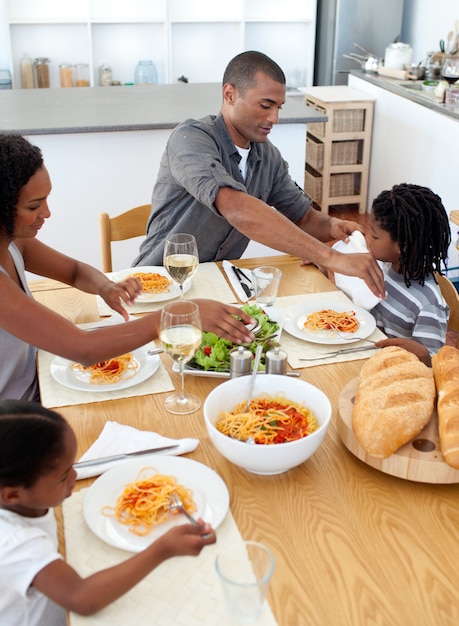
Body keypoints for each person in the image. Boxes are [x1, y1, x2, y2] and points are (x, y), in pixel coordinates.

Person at [0, 134, 255, 402]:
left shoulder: (14, 243)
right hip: (17, 415)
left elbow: (74, 271)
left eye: (46, 200)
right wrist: (174, 316)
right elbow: (84, 349)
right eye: (34, 206)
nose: (47, 213)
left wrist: (105, 287)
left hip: (39, 381)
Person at [133, 50, 384, 299]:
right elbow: (237, 208)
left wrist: (333, 226)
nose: (274, 118)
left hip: (220, 287)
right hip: (158, 286)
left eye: (279, 107)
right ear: (229, 94)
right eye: (265, 105)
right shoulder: (192, 138)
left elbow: (304, 217)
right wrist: (329, 256)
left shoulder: (268, 157)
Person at [0, 399, 216, 624]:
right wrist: (162, 548)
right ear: (13, 494)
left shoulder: (21, 499)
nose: (75, 476)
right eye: (64, 476)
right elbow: (81, 597)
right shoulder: (14, 542)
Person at [365, 183, 451, 366]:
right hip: (364, 356)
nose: (367, 238)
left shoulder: (429, 304)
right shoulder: (383, 266)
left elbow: (431, 366)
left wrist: (420, 353)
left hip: (392, 373)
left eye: (375, 236)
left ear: (402, 246)